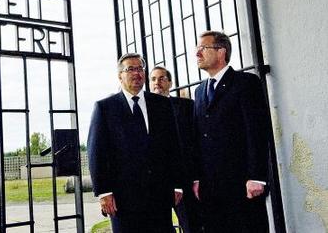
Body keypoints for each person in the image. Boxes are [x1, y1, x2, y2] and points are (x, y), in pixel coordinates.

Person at [87, 53, 184, 232]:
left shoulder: (162, 104)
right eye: (130, 69)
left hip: (159, 196)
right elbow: (96, 153)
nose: (137, 73)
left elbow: (173, 147)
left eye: (140, 69)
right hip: (122, 199)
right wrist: (104, 192)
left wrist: (178, 184)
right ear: (120, 75)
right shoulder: (105, 108)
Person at [193, 31, 271, 232]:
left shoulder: (246, 83)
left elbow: (257, 131)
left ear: (221, 52)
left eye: (203, 48)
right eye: (197, 49)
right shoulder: (200, 91)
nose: (197, 53)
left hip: (242, 185)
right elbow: (199, 138)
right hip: (211, 189)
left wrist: (257, 177)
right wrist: (197, 179)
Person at [149, 66, 203, 233]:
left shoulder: (186, 106)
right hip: (155, 183)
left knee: (192, 226)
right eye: (153, 79)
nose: (157, 82)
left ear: (170, 82)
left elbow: (196, 141)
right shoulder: (140, 109)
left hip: (184, 179)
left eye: (162, 78)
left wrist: (197, 177)